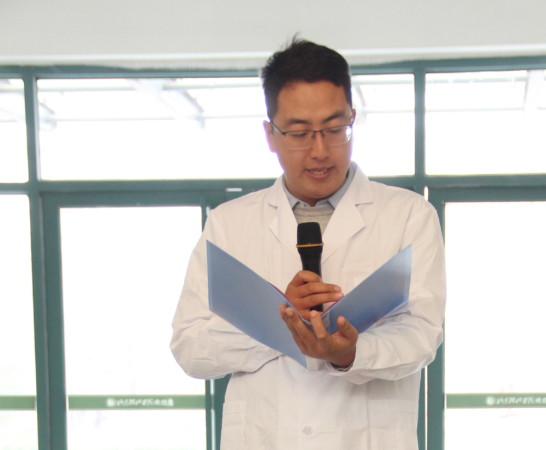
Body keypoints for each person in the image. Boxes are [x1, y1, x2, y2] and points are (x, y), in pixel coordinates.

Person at [171, 38, 446, 450]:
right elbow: (190, 348)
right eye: (299, 133)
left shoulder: (408, 216)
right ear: (270, 134)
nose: (320, 151)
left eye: (335, 129)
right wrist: (276, 324)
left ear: (353, 119)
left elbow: (423, 336)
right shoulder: (229, 225)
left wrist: (347, 353)